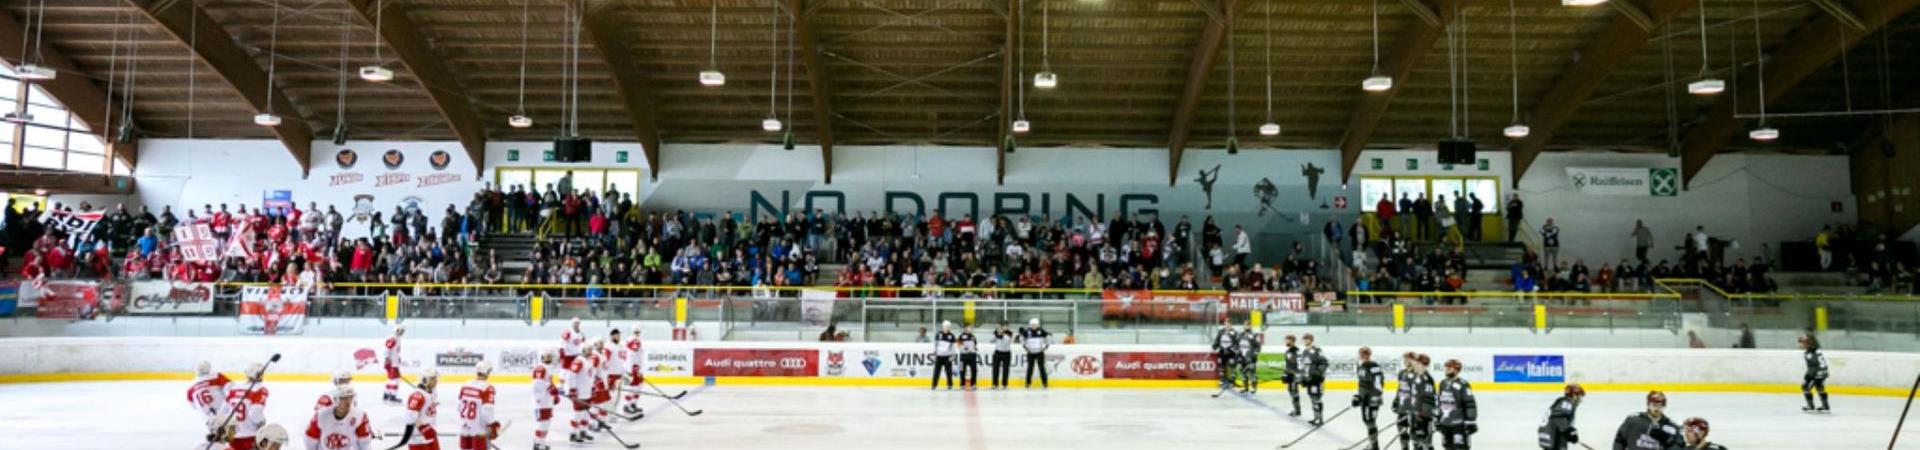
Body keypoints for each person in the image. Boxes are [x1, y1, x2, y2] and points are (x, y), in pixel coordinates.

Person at [219, 362, 271, 450]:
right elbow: (255, 413)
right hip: (252, 436)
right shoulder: (260, 390)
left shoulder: (234, 389)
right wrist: (261, 422)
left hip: (233, 436)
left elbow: (222, 412)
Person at [306, 385, 373, 450]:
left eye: (350, 397)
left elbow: (365, 442)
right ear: (335, 399)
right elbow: (310, 441)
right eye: (343, 398)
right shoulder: (321, 416)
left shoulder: (360, 415)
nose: (348, 401)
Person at [1613, 391, 1680, 450]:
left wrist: (1668, 441)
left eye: (1660, 405)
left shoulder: (1671, 427)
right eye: (1654, 405)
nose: (1657, 408)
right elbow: (1619, 440)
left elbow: (1679, 447)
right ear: (1648, 404)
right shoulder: (1633, 421)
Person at [1435, 359, 1478, 450]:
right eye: (1446, 367)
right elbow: (1440, 403)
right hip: (1445, 423)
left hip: (1459, 425)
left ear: (1456, 370)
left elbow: (1469, 403)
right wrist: (1438, 419)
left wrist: (1470, 421)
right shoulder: (1442, 383)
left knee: (1460, 448)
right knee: (1447, 447)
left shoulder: (1463, 384)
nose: (1446, 369)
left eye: (1449, 368)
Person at [458, 362, 500, 450]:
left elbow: (459, 407)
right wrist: (492, 426)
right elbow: (487, 411)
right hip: (479, 431)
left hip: (464, 428)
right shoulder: (487, 388)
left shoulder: (465, 385)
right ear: (487, 372)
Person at [399, 369, 442, 450]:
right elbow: (410, 417)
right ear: (425, 380)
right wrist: (425, 429)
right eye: (433, 379)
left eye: (436, 378)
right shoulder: (417, 396)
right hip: (418, 439)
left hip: (430, 435)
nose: (436, 381)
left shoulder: (431, 392)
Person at [1354, 347, 1387, 450]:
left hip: (1372, 399)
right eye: (1361, 354)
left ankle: (1374, 446)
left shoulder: (1373, 366)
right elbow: (1361, 384)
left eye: (1364, 354)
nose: (1362, 356)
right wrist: (1358, 396)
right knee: (1366, 420)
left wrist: (1372, 396)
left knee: (1370, 421)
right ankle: (1373, 444)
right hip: (1365, 398)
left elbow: (1378, 384)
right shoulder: (1361, 366)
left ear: (1368, 355)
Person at [1403, 354, 1437, 450]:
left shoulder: (1426, 379)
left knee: (1424, 441)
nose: (1415, 365)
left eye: (1418, 364)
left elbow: (1429, 400)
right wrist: (1411, 409)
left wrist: (1421, 414)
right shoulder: (1417, 377)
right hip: (1416, 415)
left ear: (1424, 365)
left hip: (1423, 417)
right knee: (1415, 440)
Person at [1538, 384, 1585, 450]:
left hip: (1547, 434)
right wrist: (1569, 431)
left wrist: (1570, 433)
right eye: (1578, 396)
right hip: (1554, 435)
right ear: (1573, 395)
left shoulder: (1562, 401)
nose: (1579, 399)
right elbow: (1559, 417)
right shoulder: (1567, 402)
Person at [531, 351, 561, 450]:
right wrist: (551, 388)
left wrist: (554, 396)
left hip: (547, 401)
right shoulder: (540, 368)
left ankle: (540, 443)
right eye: (547, 356)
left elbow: (549, 383)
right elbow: (538, 383)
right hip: (541, 402)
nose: (549, 358)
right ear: (542, 357)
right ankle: (538, 444)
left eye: (550, 356)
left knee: (546, 423)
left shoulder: (547, 368)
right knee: (543, 423)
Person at [1301, 333, 1331, 425]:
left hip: (1316, 380)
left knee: (1317, 398)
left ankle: (1320, 418)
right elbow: (1305, 367)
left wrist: (1317, 374)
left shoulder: (1317, 350)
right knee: (1312, 398)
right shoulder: (1305, 352)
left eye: (1306, 339)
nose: (1305, 341)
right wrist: (1304, 377)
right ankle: (1316, 417)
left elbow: (1324, 363)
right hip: (1309, 380)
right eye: (1304, 339)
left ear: (1311, 340)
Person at [620, 325, 646, 416]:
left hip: (633, 367)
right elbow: (632, 354)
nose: (637, 333)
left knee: (638, 387)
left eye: (638, 332)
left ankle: (633, 404)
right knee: (632, 388)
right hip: (633, 368)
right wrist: (634, 369)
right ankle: (627, 406)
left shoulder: (629, 340)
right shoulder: (635, 340)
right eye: (636, 332)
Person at [1801, 334, 1831, 412]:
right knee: (1819, 387)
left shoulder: (1810, 352)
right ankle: (1825, 406)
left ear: (1808, 343)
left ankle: (1810, 406)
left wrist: (1808, 376)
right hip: (1822, 371)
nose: (1802, 344)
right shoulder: (1816, 350)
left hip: (1816, 372)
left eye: (1803, 342)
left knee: (1805, 386)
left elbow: (1813, 364)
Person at [1020, 318, 1052, 388]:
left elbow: (1048, 338)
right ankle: (1028, 383)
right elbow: (1022, 339)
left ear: (1037, 325)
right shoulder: (1026, 331)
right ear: (1030, 325)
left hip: (1040, 353)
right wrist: (1025, 347)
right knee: (1030, 368)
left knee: (1042, 368)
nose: (1033, 326)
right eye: (1032, 325)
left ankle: (1045, 383)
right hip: (1030, 353)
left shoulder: (1041, 331)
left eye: (1035, 325)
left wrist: (1046, 347)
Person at [1215, 320, 1244, 392]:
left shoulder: (1234, 332)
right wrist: (1214, 345)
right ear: (1224, 324)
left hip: (1231, 352)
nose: (1227, 325)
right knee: (1221, 366)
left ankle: (1232, 381)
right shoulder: (1221, 331)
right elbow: (1217, 340)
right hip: (1222, 351)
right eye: (1226, 324)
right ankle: (1222, 381)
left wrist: (1234, 349)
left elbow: (1238, 343)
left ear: (1231, 325)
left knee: (1232, 366)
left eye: (1229, 324)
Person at [1234, 322, 1261, 394]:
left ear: (1250, 326)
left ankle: (1254, 387)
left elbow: (1258, 347)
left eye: (1248, 325)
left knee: (1252, 372)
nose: (1247, 326)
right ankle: (1245, 387)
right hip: (1242, 358)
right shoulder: (1240, 335)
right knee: (1242, 372)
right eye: (1245, 325)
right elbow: (1236, 346)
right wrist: (1238, 355)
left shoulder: (1254, 335)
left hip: (1250, 358)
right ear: (1243, 326)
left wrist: (1253, 356)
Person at [932, 321, 957, 390]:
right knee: (936, 371)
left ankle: (950, 385)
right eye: (945, 326)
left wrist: (953, 355)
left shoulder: (951, 336)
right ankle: (934, 385)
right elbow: (935, 345)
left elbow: (954, 347)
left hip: (947, 357)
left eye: (948, 326)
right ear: (943, 327)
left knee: (949, 372)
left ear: (949, 327)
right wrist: (934, 353)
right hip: (939, 356)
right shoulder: (938, 334)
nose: (946, 327)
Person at [383, 324, 405, 403]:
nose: (401, 332)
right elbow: (387, 349)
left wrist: (398, 358)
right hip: (392, 363)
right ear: (396, 330)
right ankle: (392, 396)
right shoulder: (393, 338)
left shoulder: (397, 338)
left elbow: (394, 350)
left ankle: (386, 395)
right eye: (400, 330)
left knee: (390, 379)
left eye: (402, 331)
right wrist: (387, 359)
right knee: (396, 379)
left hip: (394, 362)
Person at [1282, 335, 1303, 414]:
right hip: (1289, 374)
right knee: (1290, 390)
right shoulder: (1287, 352)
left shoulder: (1297, 351)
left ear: (1292, 341)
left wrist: (1298, 374)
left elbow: (1300, 364)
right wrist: (1285, 374)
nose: (1286, 342)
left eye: (1287, 340)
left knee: (1294, 391)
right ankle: (1296, 409)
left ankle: (1297, 410)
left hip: (1295, 375)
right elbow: (1287, 364)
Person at [991, 323, 1014, 389]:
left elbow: (1008, 341)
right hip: (997, 352)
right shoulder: (996, 333)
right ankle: (995, 384)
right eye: (1001, 327)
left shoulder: (1009, 333)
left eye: (1005, 326)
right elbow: (991, 341)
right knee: (995, 368)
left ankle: (1004, 384)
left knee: (1005, 369)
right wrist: (996, 334)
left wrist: (1002, 335)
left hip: (1006, 353)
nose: (1003, 328)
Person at [958, 324, 980, 390]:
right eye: (969, 328)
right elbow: (959, 345)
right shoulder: (961, 336)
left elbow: (975, 345)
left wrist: (975, 349)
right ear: (965, 328)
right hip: (963, 356)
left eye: (971, 328)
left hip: (972, 356)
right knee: (962, 370)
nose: (970, 329)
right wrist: (965, 348)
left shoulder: (973, 336)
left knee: (974, 370)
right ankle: (962, 384)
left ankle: (973, 384)